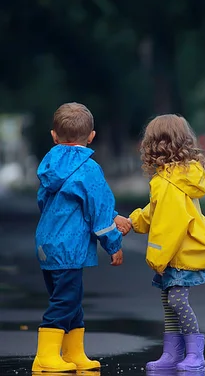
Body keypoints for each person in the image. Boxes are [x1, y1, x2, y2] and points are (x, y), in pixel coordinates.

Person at [32, 103, 128, 373]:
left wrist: (113, 216)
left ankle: (74, 352)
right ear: (92, 136)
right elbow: (98, 212)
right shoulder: (89, 169)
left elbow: (45, 202)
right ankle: (46, 355)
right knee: (65, 300)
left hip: (47, 242)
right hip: (70, 246)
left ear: (54, 135)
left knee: (69, 297)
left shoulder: (49, 166)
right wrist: (113, 244)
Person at [124, 114, 205, 372]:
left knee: (176, 301)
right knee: (169, 302)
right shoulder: (173, 177)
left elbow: (170, 225)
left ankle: (195, 354)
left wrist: (157, 257)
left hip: (179, 252)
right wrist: (133, 221)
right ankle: (172, 353)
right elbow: (156, 212)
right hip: (181, 251)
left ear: (155, 144)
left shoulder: (168, 182)